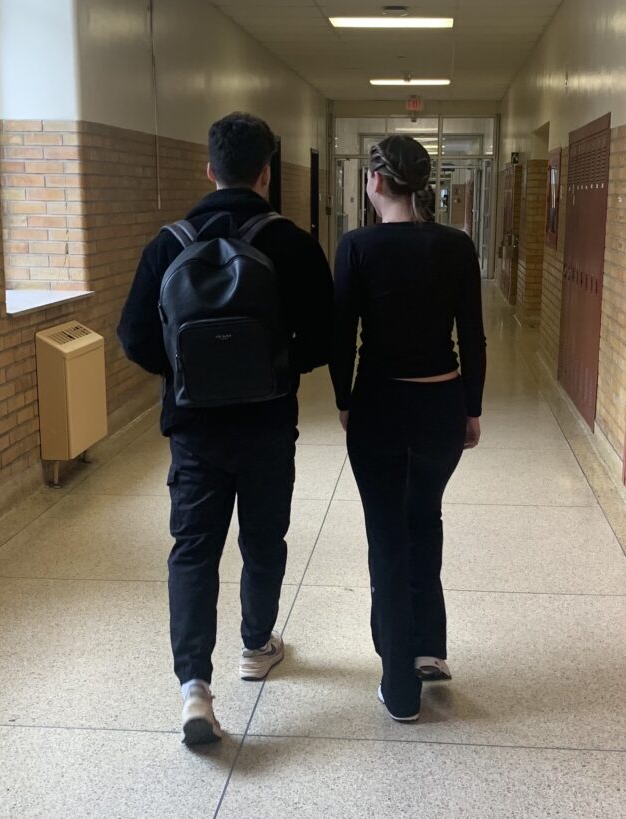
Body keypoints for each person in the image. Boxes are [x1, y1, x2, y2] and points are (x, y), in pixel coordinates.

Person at [118, 112, 334, 745]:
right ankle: (256, 645)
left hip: (193, 431)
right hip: (268, 424)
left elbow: (134, 336)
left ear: (208, 168)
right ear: (266, 172)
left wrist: (186, 373)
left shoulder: (168, 243)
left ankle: (194, 689)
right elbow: (322, 337)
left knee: (193, 550)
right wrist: (273, 368)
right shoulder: (290, 242)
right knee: (264, 538)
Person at [330, 135, 487, 723]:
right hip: (441, 406)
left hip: (378, 407)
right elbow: (472, 334)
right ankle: (429, 649)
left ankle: (399, 683)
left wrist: (344, 399)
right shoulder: (456, 246)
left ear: (375, 181)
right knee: (425, 515)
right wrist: (471, 406)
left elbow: (341, 336)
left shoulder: (357, 247)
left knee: (387, 537)